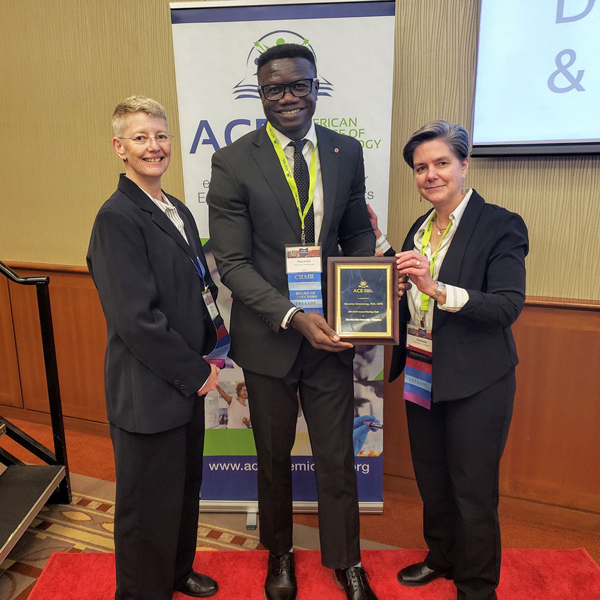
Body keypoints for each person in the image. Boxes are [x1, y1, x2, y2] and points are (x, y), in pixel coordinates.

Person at [208, 44, 378, 600]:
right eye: (274, 89)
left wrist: (359, 301)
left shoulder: (345, 150)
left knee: (337, 457)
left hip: (331, 335)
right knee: (273, 458)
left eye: (298, 86)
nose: (288, 98)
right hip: (270, 339)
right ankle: (279, 555)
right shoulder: (233, 160)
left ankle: (347, 560)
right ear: (260, 96)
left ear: (315, 87)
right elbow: (230, 262)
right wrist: (292, 315)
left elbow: (354, 231)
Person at [384, 120, 528, 600]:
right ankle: (440, 557)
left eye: (441, 163)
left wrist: (435, 288)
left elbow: (507, 306)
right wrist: (396, 277)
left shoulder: (500, 224)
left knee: (472, 488)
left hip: (478, 379)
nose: (430, 175)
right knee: (432, 477)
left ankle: (477, 584)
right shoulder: (417, 229)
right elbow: (411, 293)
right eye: (421, 167)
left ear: (464, 165)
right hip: (423, 372)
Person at [87, 96, 220, 600]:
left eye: (161, 136)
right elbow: (136, 321)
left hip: (185, 384)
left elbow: (195, 289)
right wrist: (196, 371)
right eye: (141, 137)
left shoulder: (176, 208)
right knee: (146, 507)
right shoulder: (117, 217)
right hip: (148, 390)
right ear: (120, 147)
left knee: (184, 491)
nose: (154, 146)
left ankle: (176, 572)